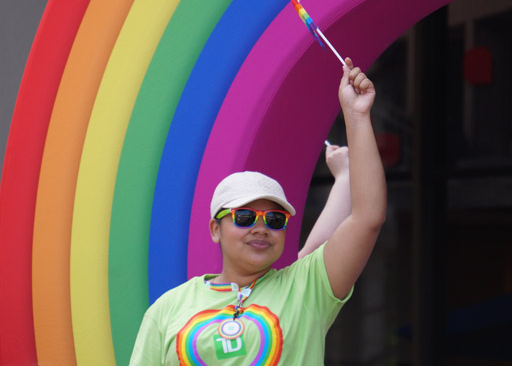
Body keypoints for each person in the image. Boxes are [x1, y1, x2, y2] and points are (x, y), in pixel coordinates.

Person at [129, 57, 386, 365]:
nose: (261, 228)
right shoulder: (167, 308)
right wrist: (342, 179)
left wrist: (356, 117)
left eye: (275, 220)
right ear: (215, 229)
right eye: (245, 217)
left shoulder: (306, 290)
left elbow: (367, 217)